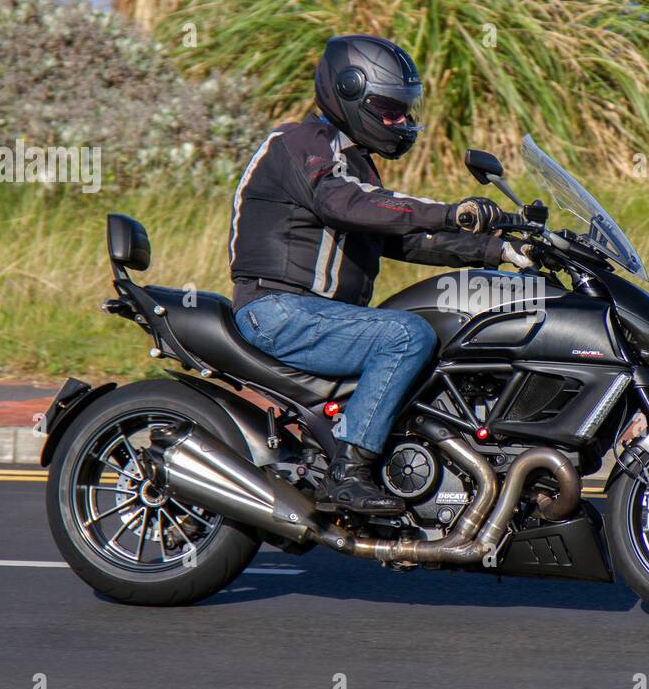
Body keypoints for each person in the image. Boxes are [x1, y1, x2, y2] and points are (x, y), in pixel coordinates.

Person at [228, 34, 532, 516]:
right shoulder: (301, 144)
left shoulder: (354, 163)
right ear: (348, 93)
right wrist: (452, 212)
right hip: (278, 309)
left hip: (319, 313)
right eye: (389, 110)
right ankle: (349, 473)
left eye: (405, 110)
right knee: (406, 336)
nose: (401, 122)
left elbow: (401, 238)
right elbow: (348, 204)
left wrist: (501, 249)